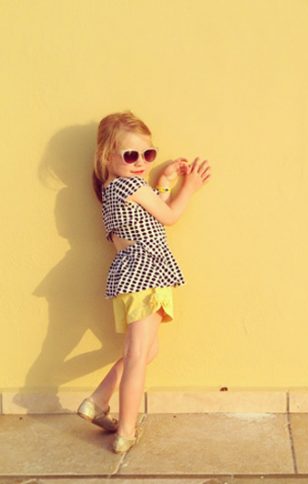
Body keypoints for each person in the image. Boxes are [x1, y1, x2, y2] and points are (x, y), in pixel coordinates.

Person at [76, 111, 212, 454]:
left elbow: (152, 211)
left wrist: (164, 181)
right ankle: (126, 430)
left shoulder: (111, 189)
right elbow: (169, 216)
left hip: (129, 274)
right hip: (147, 272)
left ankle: (98, 400)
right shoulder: (133, 185)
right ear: (108, 157)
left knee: (146, 350)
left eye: (147, 154)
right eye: (131, 155)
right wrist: (189, 187)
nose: (141, 163)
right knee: (138, 355)